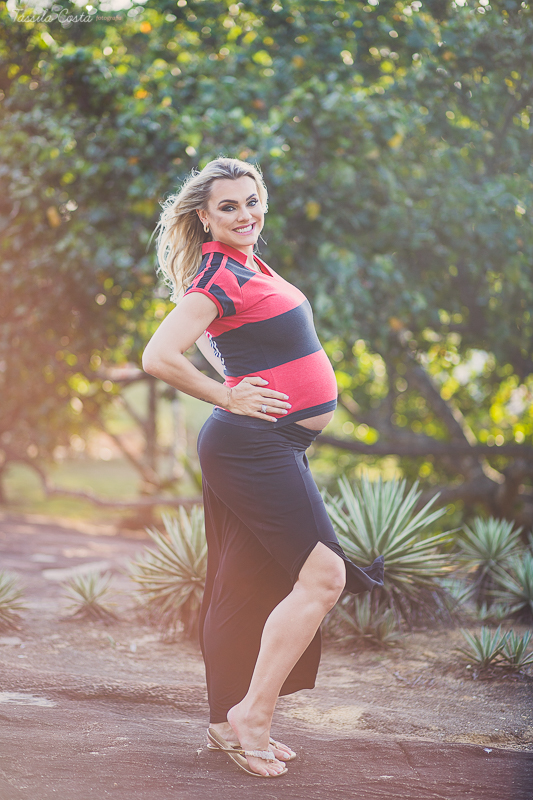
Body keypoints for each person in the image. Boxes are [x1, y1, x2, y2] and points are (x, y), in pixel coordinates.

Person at [142, 157, 384, 778]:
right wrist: (228, 394)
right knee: (324, 579)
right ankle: (255, 715)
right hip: (252, 445)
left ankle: (229, 718)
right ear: (204, 217)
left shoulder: (248, 264)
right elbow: (158, 355)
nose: (245, 214)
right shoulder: (216, 279)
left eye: (252, 201)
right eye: (229, 207)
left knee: (245, 585)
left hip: (270, 445)